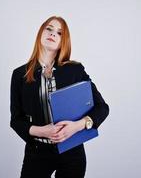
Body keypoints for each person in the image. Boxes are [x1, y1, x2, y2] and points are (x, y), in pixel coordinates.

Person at [10, 16, 109, 178]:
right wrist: (42, 131)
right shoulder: (19, 75)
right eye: (49, 28)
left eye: (59, 33)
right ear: (41, 32)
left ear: (64, 41)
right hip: (37, 154)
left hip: (72, 153)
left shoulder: (75, 70)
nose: (53, 34)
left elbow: (102, 108)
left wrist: (77, 126)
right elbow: (16, 120)